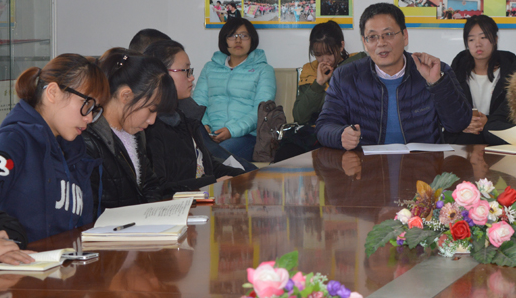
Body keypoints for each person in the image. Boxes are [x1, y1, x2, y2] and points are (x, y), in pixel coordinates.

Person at [315, 3, 471, 150]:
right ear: (364, 42)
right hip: (366, 165)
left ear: (405, 36)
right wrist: (340, 135)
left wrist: (437, 83)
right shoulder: (345, 77)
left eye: (388, 34)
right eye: (373, 37)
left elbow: (458, 124)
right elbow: (324, 126)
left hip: (424, 164)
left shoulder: (435, 70)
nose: (381, 43)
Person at [0, 54, 109, 243]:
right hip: (25, 261)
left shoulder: (76, 153)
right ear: (53, 93)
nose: (89, 118)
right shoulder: (14, 141)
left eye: (94, 110)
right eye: (86, 104)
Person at [144, 41, 245, 196]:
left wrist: (245, 176)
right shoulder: (151, 126)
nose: (191, 78)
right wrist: (211, 182)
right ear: (161, 75)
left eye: (190, 71)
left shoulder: (183, 116)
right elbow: (161, 188)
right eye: (185, 71)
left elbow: (208, 165)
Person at [83, 49, 176, 210]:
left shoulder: (136, 134)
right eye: (151, 110)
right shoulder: (88, 140)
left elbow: (150, 184)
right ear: (125, 96)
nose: (152, 120)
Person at [277, 22, 367, 161]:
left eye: (329, 53)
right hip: (313, 132)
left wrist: (335, 78)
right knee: (285, 152)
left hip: (344, 130)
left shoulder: (357, 64)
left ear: (341, 46)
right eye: (318, 55)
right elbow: (300, 116)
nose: (324, 60)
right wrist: (318, 83)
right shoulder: (310, 70)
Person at [193, 17, 276, 161]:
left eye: (244, 36)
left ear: (252, 39)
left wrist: (231, 131)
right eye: (232, 35)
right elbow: (198, 103)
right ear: (224, 40)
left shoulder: (264, 70)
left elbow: (261, 110)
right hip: (210, 134)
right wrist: (205, 125)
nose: (238, 40)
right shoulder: (210, 68)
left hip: (246, 136)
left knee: (218, 156)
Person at [447, 15, 516, 144]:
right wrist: (463, 123)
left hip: (499, 141)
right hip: (464, 142)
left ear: (495, 39)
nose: (478, 44)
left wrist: (489, 121)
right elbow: (448, 110)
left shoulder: (511, 72)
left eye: (483, 37)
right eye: (471, 39)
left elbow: (515, 114)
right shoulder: (457, 71)